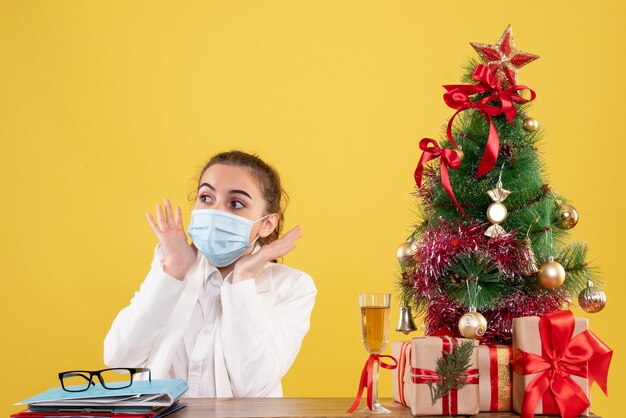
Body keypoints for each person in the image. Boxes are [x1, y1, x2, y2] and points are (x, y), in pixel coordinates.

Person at [104, 151, 316, 398]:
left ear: (267, 223)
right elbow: (119, 358)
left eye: (236, 203)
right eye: (206, 197)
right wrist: (173, 270)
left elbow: (253, 385)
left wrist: (242, 279)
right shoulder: (171, 265)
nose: (216, 211)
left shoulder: (293, 286)